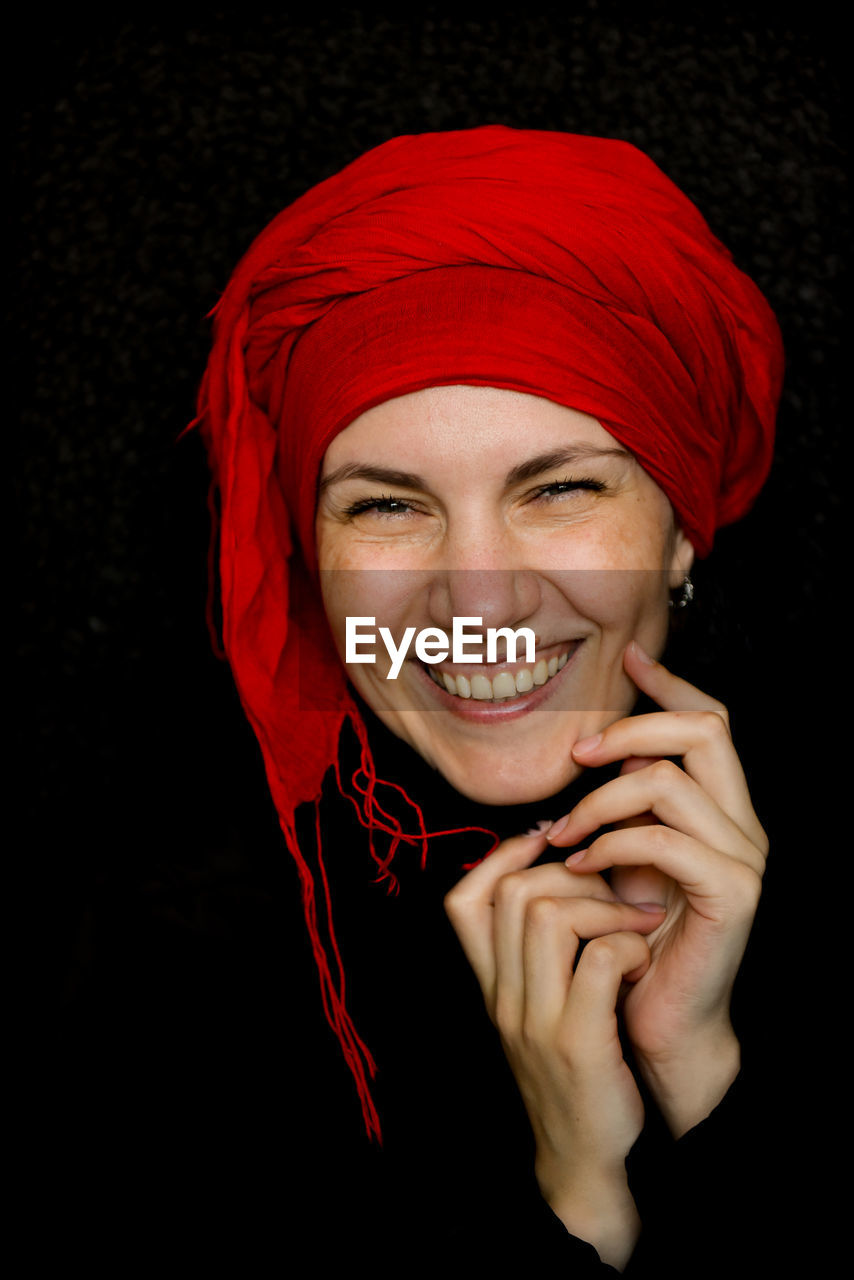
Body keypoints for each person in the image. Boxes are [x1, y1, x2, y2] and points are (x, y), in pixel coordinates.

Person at [196, 126, 788, 1273]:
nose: (476, 595)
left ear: (679, 530)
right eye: (384, 507)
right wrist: (577, 1191)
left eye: (558, 487)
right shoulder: (158, 990)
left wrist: (697, 1066)